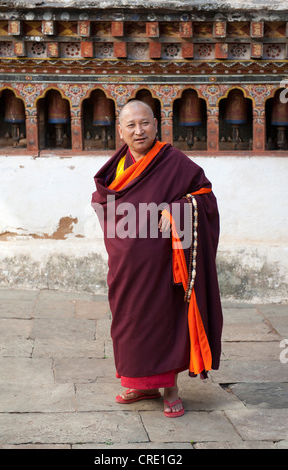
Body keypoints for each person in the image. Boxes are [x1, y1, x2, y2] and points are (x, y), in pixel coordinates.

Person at [91, 100, 223, 417]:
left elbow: (204, 195)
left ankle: (170, 390)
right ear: (120, 131)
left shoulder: (173, 161)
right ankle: (141, 384)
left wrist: (176, 208)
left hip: (165, 262)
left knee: (165, 321)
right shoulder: (116, 167)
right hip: (126, 264)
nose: (139, 130)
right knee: (129, 322)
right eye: (131, 125)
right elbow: (103, 199)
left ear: (156, 124)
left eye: (145, 123)